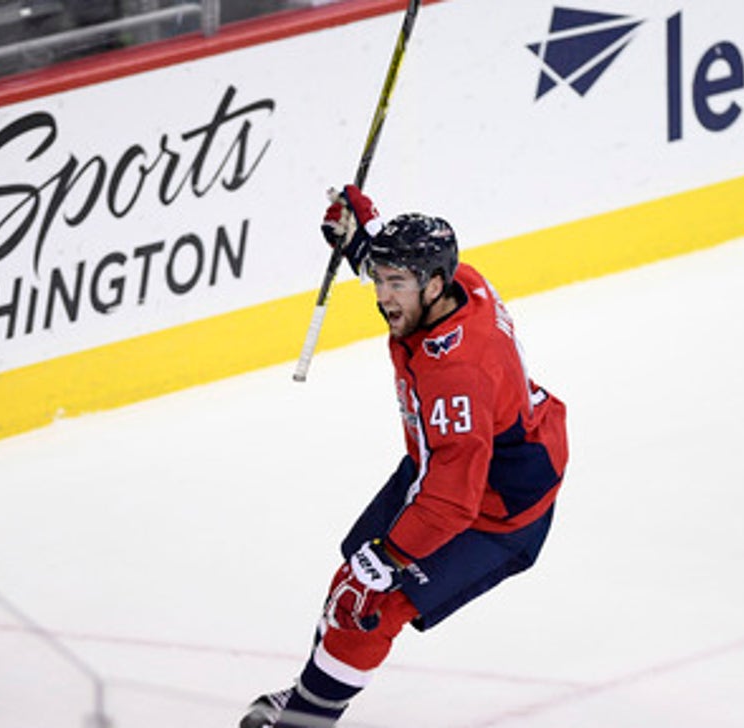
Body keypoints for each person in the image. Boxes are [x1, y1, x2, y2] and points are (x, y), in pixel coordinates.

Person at [241, 186, 569, 728]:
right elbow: (405, 274)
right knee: (350, 583)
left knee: (367, 606)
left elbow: (450, 504)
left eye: (396, 283)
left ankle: (306, 721)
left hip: (494, 510)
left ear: (433, 286)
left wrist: (385, 560)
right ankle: (312, 697)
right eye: (380, 280)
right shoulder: (461, 284)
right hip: (446, 469)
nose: (383, 295)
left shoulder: (457, 379)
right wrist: (359, 235)